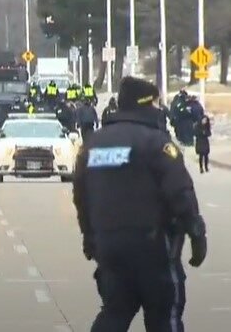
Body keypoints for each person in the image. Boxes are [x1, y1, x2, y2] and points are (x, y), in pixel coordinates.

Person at [72, 77, 206, 332]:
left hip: (109, 246)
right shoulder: (157, 142)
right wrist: (196, 232)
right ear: (145, 104)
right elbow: (180, 192)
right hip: (153, 246)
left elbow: (81, 197)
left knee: (115, 312)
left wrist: (90, 237)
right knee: (165, 315)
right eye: (155, 103)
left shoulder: (92, 145)